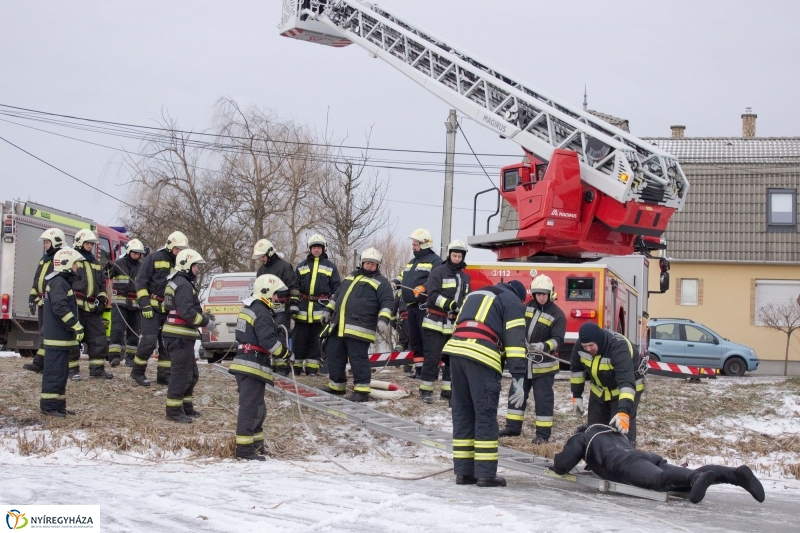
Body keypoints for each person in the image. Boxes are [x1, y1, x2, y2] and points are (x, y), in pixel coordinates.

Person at [442, 279, 528, 488]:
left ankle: (463, 473)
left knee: (463, 412)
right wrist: (518, 378)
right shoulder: (513, 302)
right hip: (481, 356)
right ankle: (486, 475)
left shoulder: (476, 294)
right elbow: (516, 343)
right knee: (485, 414)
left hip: (455, 353)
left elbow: (457, 325)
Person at [553, 423, 765, 504]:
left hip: (625, 465)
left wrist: (559, 461)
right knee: (672, 475)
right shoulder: (611, 431)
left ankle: (697, 478)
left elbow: (563, 464)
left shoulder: (584, 438)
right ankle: (736, 475)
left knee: (659, 480)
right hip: (645, 457)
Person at [229, 274, 294, 461]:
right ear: (266, 292)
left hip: (248, 363)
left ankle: (257, 445)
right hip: (252, 365)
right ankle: (244, 450)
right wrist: (285, 353)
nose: (276, 299)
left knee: (258, 409)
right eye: (274, 295)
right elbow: (268, 342)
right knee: (250, 409)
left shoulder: (250, 308)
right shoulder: (262, 312)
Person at [500, 274, 566, 444]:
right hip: (523, 362)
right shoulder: (525, 307)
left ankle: (543, 435)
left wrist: (544, 346)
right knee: (516, 393)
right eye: (538, 294)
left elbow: (558, 340)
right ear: (533, 294)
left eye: (544, 294)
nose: (541, 297)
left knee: (543, 400)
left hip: (543, 367)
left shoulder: (558, 315)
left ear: (550, 294)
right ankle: (512, 428)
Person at [323, 247, 394, 402]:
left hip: (361, 327)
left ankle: (362, 390)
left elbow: (388, 302)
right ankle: (337, 386)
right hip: (339, 325)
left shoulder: (381, 282)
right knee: (334, 353)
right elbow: (337, 296)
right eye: (367, 263)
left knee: (358, 358)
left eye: (373, 264)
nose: (369, 266)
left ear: (377, 265)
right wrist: (328, 310)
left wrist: (383, 320)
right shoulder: (350, 277)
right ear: (362, 262)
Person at [570, 322, 645, 444]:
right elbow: (577, 371)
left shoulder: (618, 348)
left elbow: (626, 383)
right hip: (599, 391)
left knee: (620, 431)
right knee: (594, 430)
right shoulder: (579, 346)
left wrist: (624, 412)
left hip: (624, 391)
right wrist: (576, 396)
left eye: (591, 345)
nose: (588, 349)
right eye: (585, 346)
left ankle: (626, 458)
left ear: (598, 340)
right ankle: (597, 460)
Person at [131, 231, 189, 387]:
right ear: (170, 246)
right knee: (149, 340)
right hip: (152, 306)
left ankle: (164, 375)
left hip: (169, 308)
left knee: (167, 344)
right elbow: (141, 282)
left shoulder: (180, 263)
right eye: (178, 249)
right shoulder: (153, 258)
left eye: (182, 250)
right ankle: (137, 371)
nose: (179, 252)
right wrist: (145, 304)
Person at [161, 249, 212, 423]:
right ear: (186, 265)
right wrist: (205, 322)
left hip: (181, 336)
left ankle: (186, 407)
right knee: (181, 374)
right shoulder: (183, 284)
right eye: (195, 266)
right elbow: (186, 311)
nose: (197, 269)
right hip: (179, 336)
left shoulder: (177, 282)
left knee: (191, 374)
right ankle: (173, 411)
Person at [419, 239, 470, 403]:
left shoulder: (465, 276)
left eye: (459, 256)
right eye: (454, 255)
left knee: (452, 360)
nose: (457, 258)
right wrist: (451, 305)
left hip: (454, 325)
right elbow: (432, 296)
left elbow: (466, 297)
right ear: (449, 255)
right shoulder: (438, 272)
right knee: (432, 358)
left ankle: (447, 391)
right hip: (435, 322)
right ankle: (426, 390)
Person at [39, 248, 84, 417]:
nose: (77, 267)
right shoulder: (59, 283)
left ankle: (58, 405)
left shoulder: (62, 282)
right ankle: (48, 406)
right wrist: (75, 325)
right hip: (57, 338)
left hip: (62, 339)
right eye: (75, 263)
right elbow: (60, 308)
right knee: (54, 373)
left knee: (61, 374)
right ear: (66, 264)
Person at [392, 228, 442, 378]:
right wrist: (396, 281)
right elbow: (403, 275)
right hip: (412, 308)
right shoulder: (413, 261)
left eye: (415, 244)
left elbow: (435, 280)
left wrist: (423, 288)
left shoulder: (436, 261)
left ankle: (429, 372)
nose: (413, 246)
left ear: (425, 244)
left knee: (428, 342)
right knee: (416, 342)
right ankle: (419, 371)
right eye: (413, 244)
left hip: (425, 308)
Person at [291, 234, 340, 376]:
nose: (317, 250)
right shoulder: (302, 266)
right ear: (309, 249)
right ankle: (297, 367)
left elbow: (337, 287)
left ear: (323, 249)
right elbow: (295, 286)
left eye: (319, 247)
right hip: (303, 309)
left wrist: (333, 306)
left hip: (321, 309)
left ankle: (312, 368)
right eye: (314, 247)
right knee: (299, 340)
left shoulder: (330, 266)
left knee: (316, 340)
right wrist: (294, 304)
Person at [69, 229, 113, 380]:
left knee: (98, 338)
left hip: (92, 308)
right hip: (76, 306)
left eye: (92, 244)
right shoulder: (72, 260)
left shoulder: (96, 264)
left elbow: (101, 285)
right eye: (87, 243)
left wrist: (102, 299)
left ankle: (97, 369)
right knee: (73, 338)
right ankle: (71, 370)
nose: (90, 246)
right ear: (79, 243)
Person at [252, 239, 299, 376]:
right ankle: (270, 363)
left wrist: (294, 303)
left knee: (280, 334)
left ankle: (283, 366)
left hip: (282, 307)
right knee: (267, 334)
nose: (261, 259)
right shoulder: (261, 270)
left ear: (270, 253)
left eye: (263, 256)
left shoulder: (284, 267)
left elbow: (294, 287)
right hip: (266, 308)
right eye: (260, 257)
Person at [24, 228, 67, 374]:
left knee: (49, 334)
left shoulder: (61, 258)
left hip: (53, 302)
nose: (45, 245)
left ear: (56, 242)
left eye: (47, 242)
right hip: (43, 302)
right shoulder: (44, 259)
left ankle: (44, 363)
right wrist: (32, 297)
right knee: (43, 333)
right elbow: (37, 280)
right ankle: (41, 363)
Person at [106, 239, 145, 367]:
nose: (137, 255)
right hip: (120, 303)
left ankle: (130, 358)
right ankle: (114, 357)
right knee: (117, 329)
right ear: (129, 251)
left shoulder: (142, 267)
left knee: (134, 331)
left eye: (139, 253)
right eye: (135, 253)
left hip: (135, 304)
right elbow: (107, 275)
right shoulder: (118, 264)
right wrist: (107, 269)